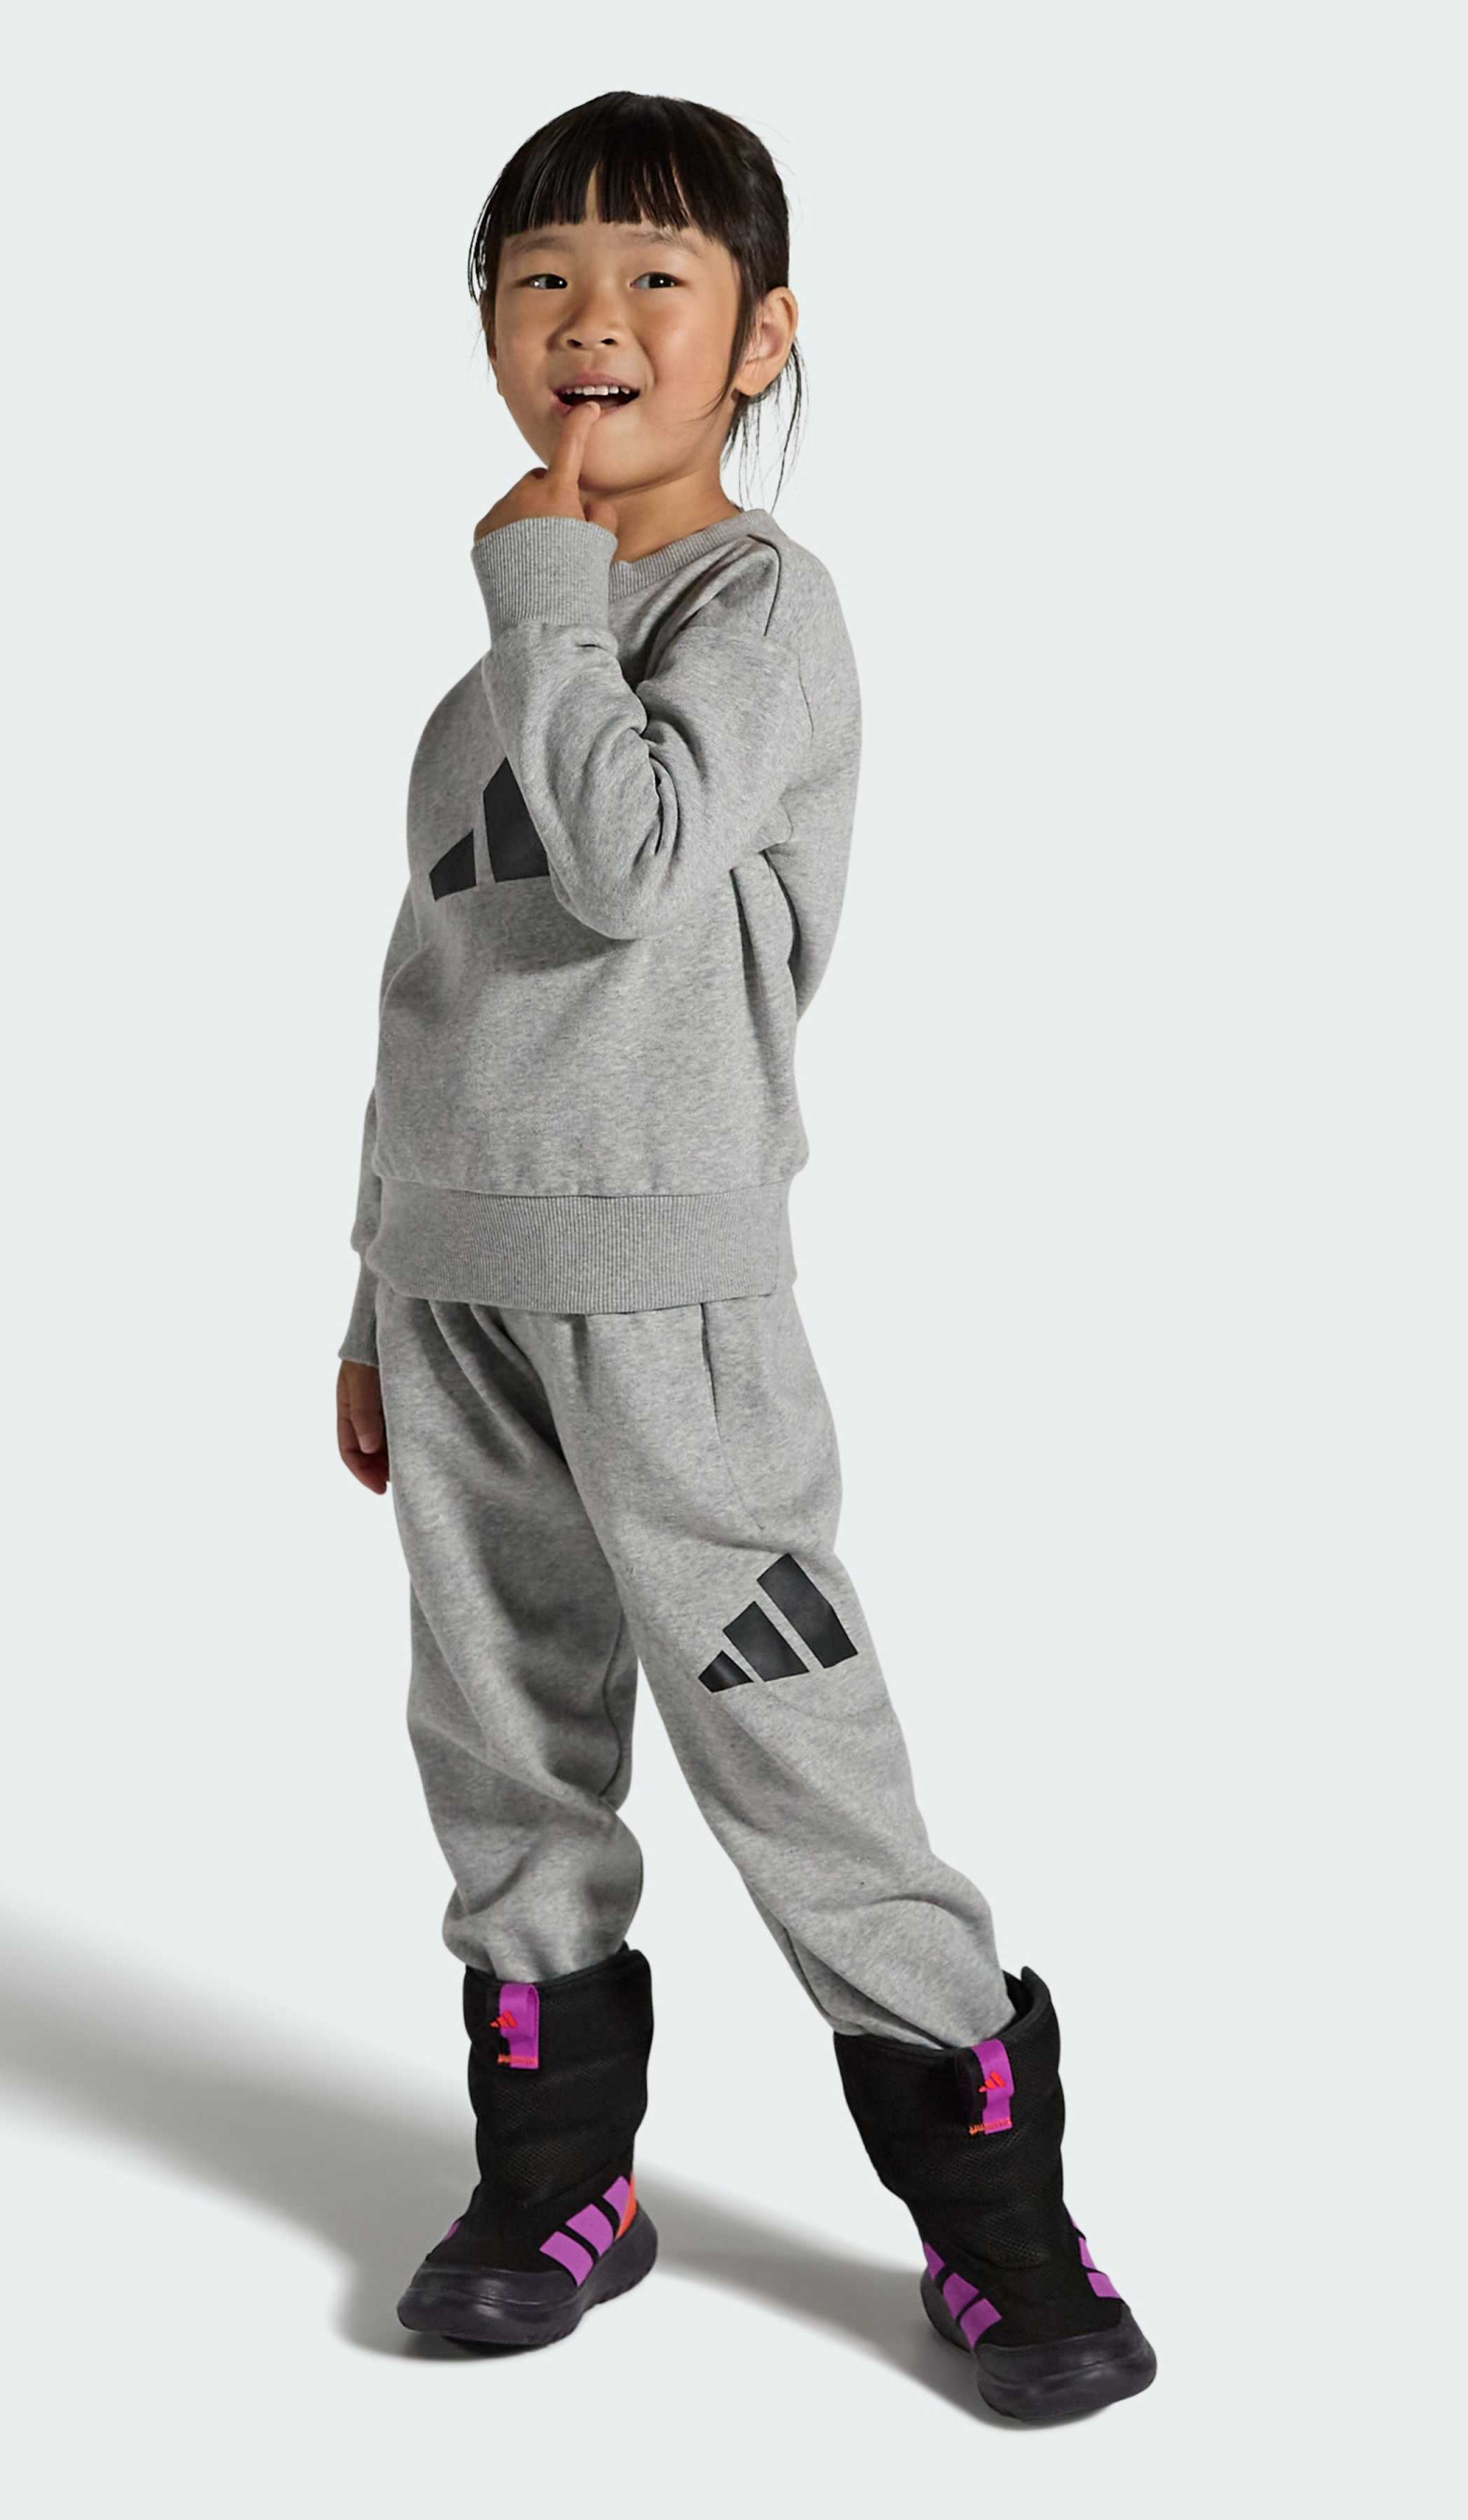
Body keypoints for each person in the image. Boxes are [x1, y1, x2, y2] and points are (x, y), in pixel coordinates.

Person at [334, 88, 1154, 2419]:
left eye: (652, 278)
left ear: (760, 336)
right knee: (502, 1747)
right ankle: (554, 2189)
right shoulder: (504, 666)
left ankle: (1003, 2230)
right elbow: (442, 988)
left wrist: (541, 592)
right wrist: (368, 1281)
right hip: (460, 1287)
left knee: (789, 1748)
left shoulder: (754, 610)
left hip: (670, 1302)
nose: (589, 319)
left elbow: (627, 868)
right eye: (539, 277)